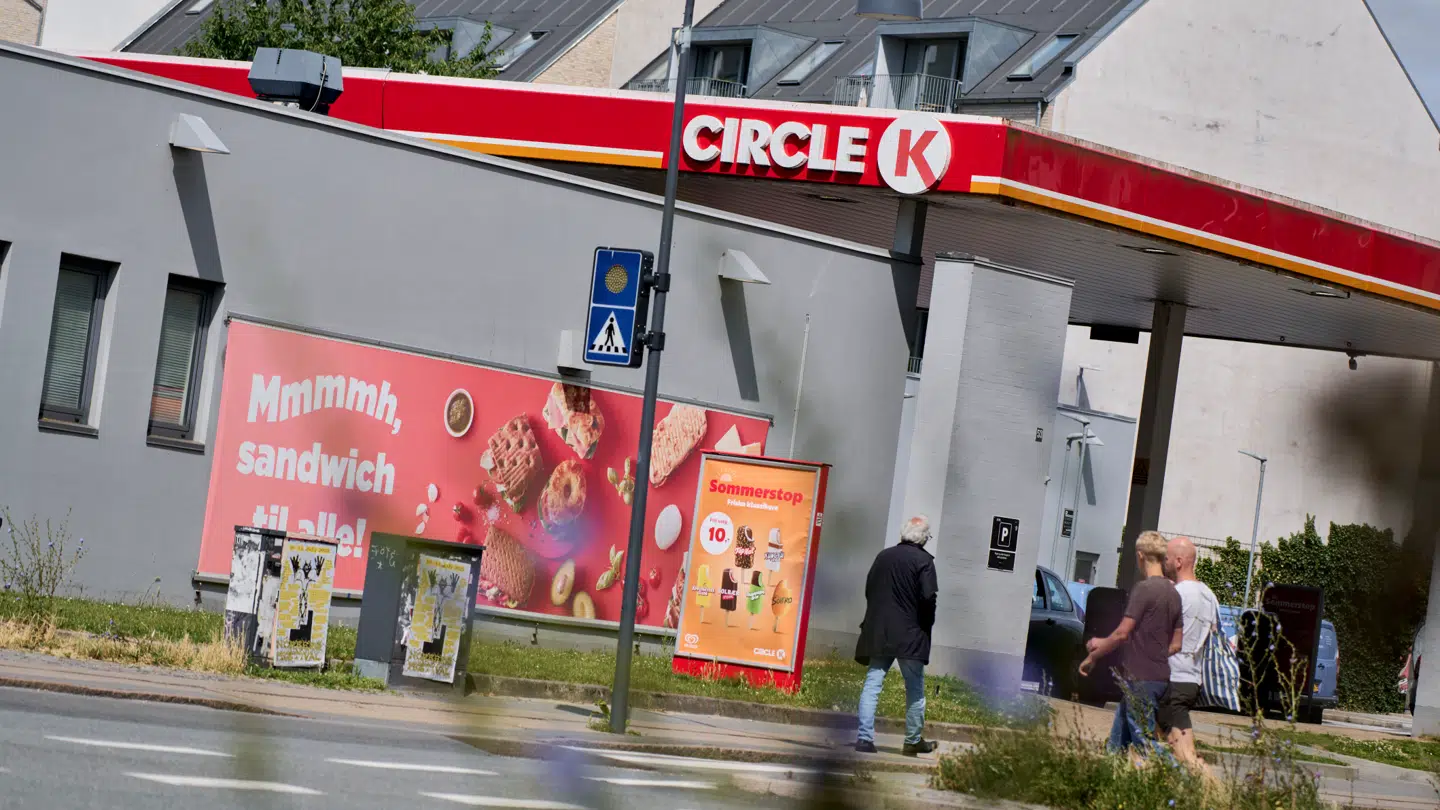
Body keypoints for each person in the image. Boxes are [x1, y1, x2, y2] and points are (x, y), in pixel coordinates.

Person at [1079, 530, 1183, 758]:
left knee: (1144, 742)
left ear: (1140, 556)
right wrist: (1154, 653)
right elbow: (1177, 643)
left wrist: (1094, 652)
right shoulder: (1173, 593)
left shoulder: (1144, 589)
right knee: (1117, 742)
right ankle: (1109, 776)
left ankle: (1185, 779)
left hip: (1140, 679)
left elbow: (1121, 634)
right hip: (1159, 678)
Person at [854, 515, 939, 756]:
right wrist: (926, 624)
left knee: (873, 683)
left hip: (880, 631)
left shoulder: (883, 556)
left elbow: (869, 589)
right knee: (914, 687)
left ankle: (864, 739)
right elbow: (928, 598)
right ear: (923, 538)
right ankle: (912, 740)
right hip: (911, 635)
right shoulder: (924, 562)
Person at [1159, 536, 1219, 773]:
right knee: (1176, 744)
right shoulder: (1209, 595)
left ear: (1179, 561)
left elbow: (1161, 634)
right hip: (1192, 680)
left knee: (1182, 752)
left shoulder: (1177, 594)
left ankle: (1205, 784)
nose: (1164, 562)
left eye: (1167, 558)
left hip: (1173, 677)